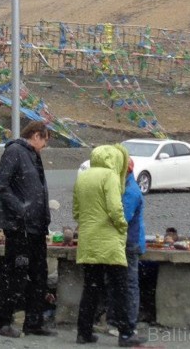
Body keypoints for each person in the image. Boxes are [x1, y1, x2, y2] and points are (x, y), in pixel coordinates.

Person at [0, 121, 56, 338]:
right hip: (19, 227)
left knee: (39, 275)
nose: (45, 145)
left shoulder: (33, 156)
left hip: (37, 228)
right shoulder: (15, 151)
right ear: (36, 136)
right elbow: (1, 184)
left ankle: (34, 322)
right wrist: (21, 209)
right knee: (14, 274)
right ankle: (2, 322)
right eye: (45, 139)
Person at [73, 144, 135, 347]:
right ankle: (126, 333)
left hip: (88, 240)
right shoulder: (110, 176)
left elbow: (76, 211)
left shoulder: (83, 176)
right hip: (108, 241)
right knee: (120, 287)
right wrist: (122, 226)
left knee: (90, 288)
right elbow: (115, 208)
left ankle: (83, 332)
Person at [108, 145, 147, 345]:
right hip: (128, 243)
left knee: (125, 286)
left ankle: (125, 326)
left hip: (128, 243)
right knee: (126, 286)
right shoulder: (127, 188)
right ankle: (126, 328)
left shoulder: (129, 191)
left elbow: (122, 218)